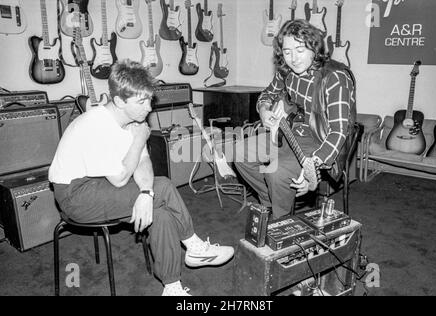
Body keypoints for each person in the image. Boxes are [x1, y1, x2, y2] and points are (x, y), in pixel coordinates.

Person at [49, 59, 234, 296]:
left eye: (149, 100)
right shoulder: (96, 125)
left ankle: (171, 286)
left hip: (101, 183)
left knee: (161, 211)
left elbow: (144, 162)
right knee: (165, 186)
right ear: (118, 101)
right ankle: (194, 246)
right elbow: (119, 178)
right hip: (76, 195)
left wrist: (146, 193)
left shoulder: (134, 119)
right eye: (141, 102)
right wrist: (138, 140)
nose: (149, 108)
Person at [235, 19, 356, 219]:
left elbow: (338, 131)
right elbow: (266, 95)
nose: (293, 58)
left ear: (314, 47)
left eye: (300, 50)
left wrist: (313, 164)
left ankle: (280, 224)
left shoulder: (335, 78)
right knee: (239, 152)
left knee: (277, 172)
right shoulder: (286, 71)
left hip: (320, 139)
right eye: (287, 51)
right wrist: (264, 110)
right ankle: (270, 199)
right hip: (290, 132)